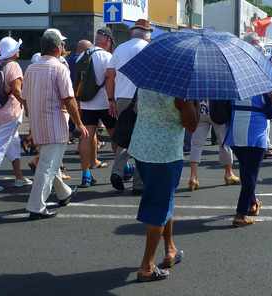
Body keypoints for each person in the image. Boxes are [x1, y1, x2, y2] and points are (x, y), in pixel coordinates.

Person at [129, 90, 195, 282]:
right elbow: (191, 124)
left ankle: (170, 248)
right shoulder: (180, 91)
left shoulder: (146, 83)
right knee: (159, 205)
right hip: (164, 153)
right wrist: (192, 102)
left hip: (142, 147)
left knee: (165, 198)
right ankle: (147, 266)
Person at [23, 29, 87, 220]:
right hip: (54, 123)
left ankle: (64, 192)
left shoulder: (32, 68)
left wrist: (31, 117)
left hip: (38, 122)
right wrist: (79, 122)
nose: (64, 47)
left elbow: (24, 98)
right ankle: (36, 206)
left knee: (48, 162)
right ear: (57, 47)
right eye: (62, 44)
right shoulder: (59, 68)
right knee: (48, 166)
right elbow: (69, 98)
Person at [105, 19, 152, 194]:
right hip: (143, 99)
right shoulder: (148, 49)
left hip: (121, 98)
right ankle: (139, 184)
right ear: (147, 34)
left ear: (133, 32)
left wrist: (110, 100)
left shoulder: (120, 48)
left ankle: (117, 170)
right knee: (142, 141)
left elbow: (110, 76)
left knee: (124, 135)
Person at [0, 37, 31, 192]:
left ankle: (19, 177)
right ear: (13, 51)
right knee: (1, 146)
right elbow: (16, 89)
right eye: (17, 48)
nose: (19, 50)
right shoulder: (13, 65)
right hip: (10, 112)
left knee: (13, 144)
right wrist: (26, 104)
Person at [228, 91, 272, 226]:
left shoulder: (233, 89)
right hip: (255, 135)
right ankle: (241, 214)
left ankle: (252, 202)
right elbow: (271, 113)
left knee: (246, 170)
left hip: (235, 134)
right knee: (250, 174)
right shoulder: (262, 90)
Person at [75, 27, 114, 188]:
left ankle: (86, 175)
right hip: (106, 102)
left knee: (86, 137)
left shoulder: (83, 56)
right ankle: (123, 168)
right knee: (116, 135)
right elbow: (112, 79)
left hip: (87, 103)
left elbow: (77, 80)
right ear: (108, 41)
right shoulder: (108, 56)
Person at [186, 99, 239, 190]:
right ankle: (229, 173)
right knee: (224, 143)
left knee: (196, 145)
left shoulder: (198, 84)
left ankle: (193, 176)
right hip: (217, 110)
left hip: (201, 110)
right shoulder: (219, 84)